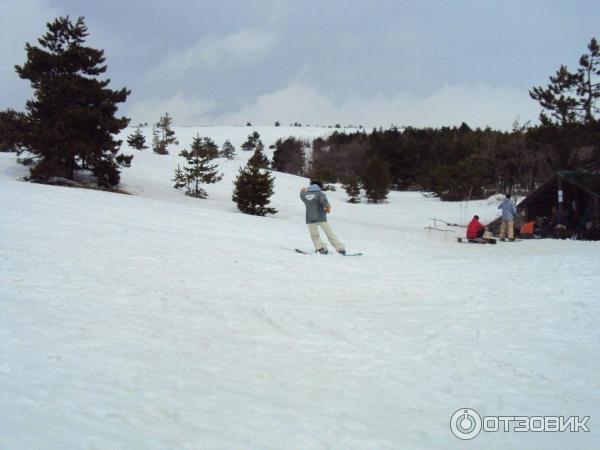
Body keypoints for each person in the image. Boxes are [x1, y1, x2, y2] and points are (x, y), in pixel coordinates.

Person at [300, 180, 345, 254]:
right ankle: (340, 248)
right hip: (321, 217)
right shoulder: (320, 194)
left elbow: (302, 196)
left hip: (310, 217)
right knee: (329, 233)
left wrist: (302, 191)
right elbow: (323, 201)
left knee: (314, 235)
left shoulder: (305, 194)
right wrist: (327, 206)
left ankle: (321, 248)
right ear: (319, 187)